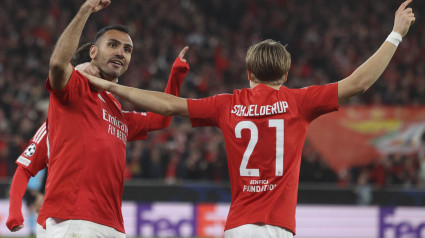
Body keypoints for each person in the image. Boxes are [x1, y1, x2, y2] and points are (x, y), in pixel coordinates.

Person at [85, 1, 415, 237]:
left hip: (237, 227)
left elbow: (167, 106)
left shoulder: (228, 105)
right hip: (276, 227)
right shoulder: (298, 102)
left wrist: (103, 83)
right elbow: (359, 82)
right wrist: (396, 34)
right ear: (285, 74)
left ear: (248, 73)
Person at [33, 0, 189, 236]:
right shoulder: (74, 88)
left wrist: (176, 76)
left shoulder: (118, 111)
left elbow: (161, 120)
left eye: (127, 49)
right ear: (93, 52)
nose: (121, 53)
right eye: (113, 45)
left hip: (112, 224)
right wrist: (86, 10)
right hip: (73, 220)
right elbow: (57, 64)